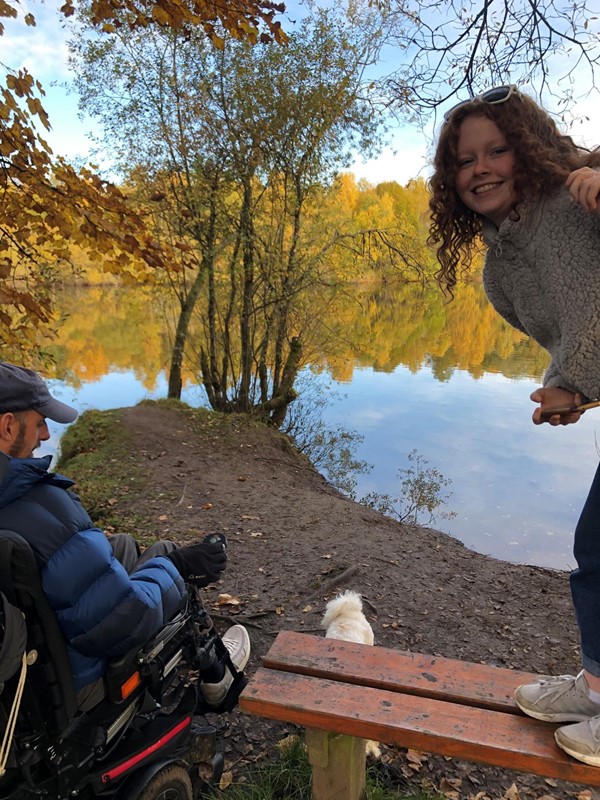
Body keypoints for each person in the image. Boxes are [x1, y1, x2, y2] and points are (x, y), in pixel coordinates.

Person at [428, 85, 600, 766]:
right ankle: (595, 686)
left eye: (497, 149)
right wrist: (567, 388)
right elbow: (581, 341)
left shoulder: (580, 199)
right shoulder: (500, 275)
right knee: (595, 552)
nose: (482, 167)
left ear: (527, 152)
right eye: (465, 159)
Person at [0, 362, 250, 711]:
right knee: (166, 559)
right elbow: (127, 619)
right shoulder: (42, 508)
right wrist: (177, 564)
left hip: (22, 684)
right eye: (39, 423)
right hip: (69, 694)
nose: (44, 435)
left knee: (122, 547)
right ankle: (219, 681)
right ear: (8, 426)